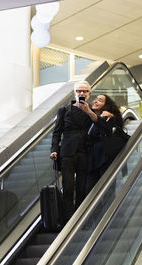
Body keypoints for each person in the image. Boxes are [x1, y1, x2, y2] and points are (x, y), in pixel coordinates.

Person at [50, 80, 92, 223]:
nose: (81, 93)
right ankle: (68, 219)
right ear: (75, 93)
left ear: (89, 94)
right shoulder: (64, 110)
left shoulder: (92, 110)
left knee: (82, 187)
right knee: (68, 186)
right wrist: (54, 149)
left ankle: (80, 217)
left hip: (85, 151)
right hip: (67, 152)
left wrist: (89, 111)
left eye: (85, 91)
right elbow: (57, 132)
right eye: (79, 91)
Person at [78, 94, 126, 194]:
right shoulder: (88, 119)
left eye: (100, 100)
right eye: (95, 99)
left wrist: (89, 111)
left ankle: (109, 210)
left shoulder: (108, 118)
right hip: (92, 161)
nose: (96, 101)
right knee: (90, 192)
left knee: (108, 191)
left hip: (104, 159)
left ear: (106, 105)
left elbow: (101, 123)